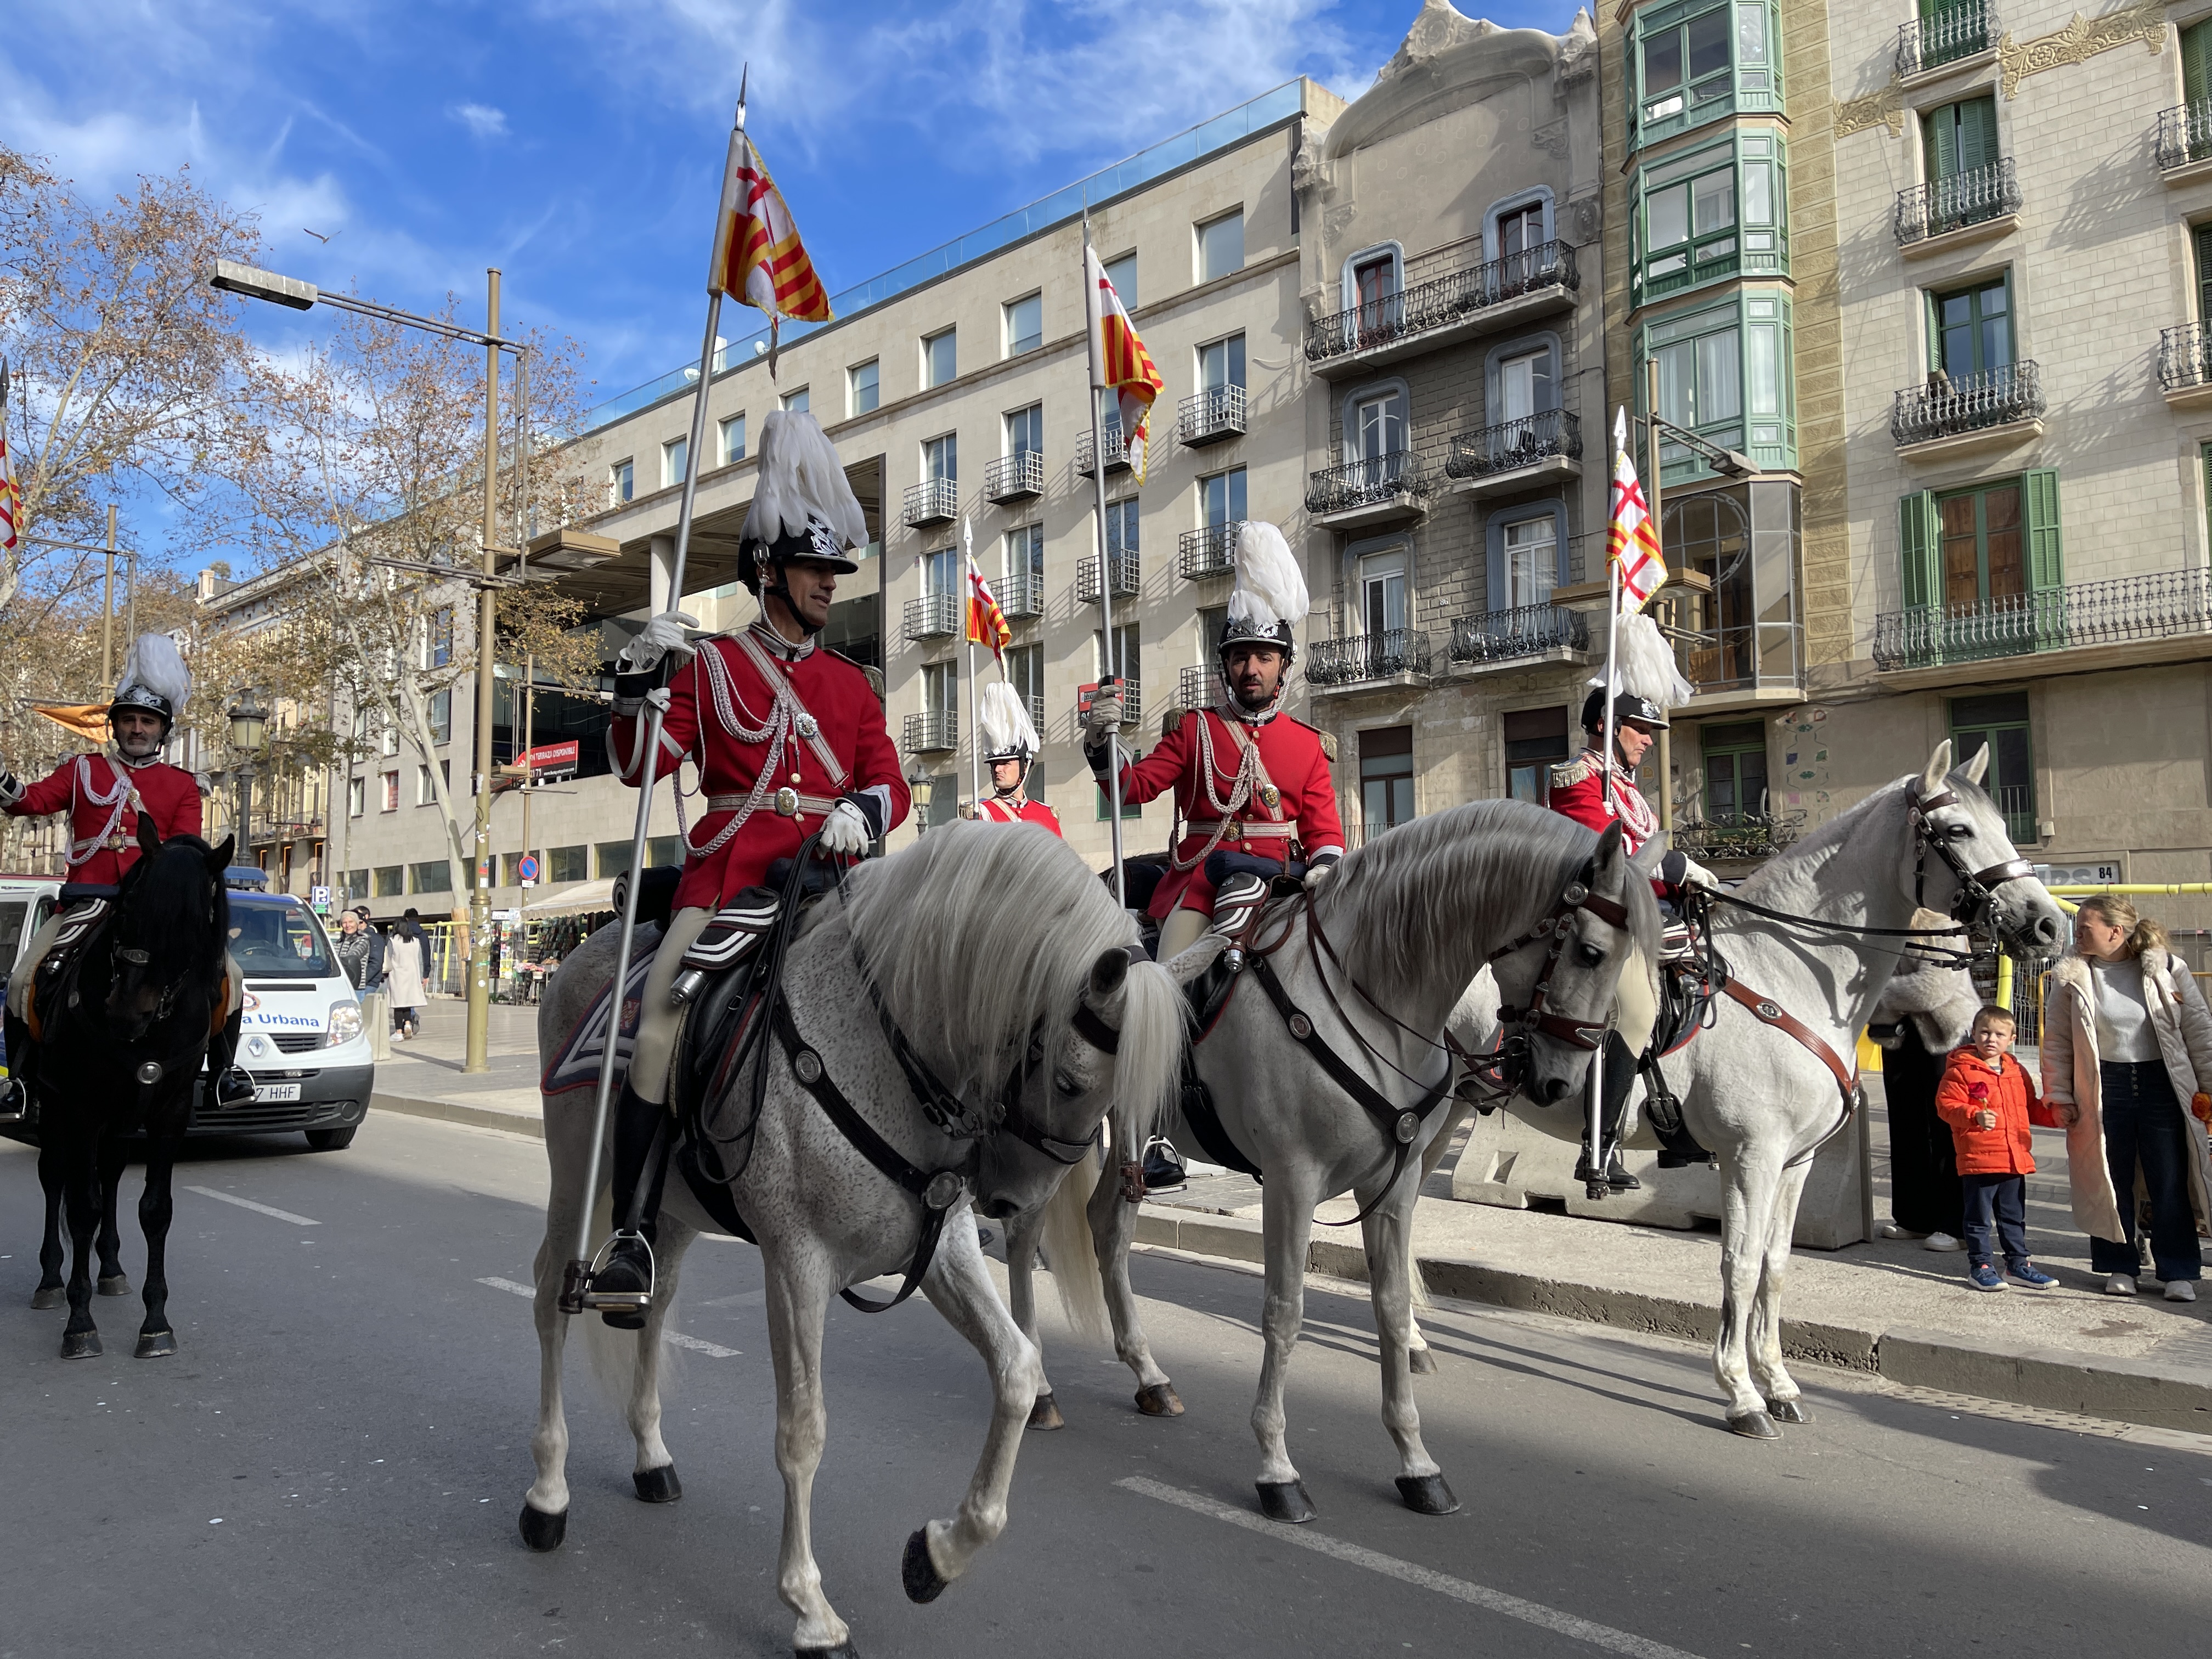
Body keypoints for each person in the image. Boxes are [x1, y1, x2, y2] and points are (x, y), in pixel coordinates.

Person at [589, 409, 909, 1323]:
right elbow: (640, 767)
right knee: (659, 1022)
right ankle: (635, 1230)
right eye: (814, 568)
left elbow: (892, 783)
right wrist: (636, 684)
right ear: (767, 569)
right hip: (728, 883)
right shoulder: (712, 664)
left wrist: (860, 809)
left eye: (833, 570)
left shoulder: (851, 684)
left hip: (832, 887)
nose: (827, 583)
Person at [0, 634, 249, 1120]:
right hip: (88, 901)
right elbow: (29, 802)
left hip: (153, 913)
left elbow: (184, 854)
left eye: (147, 721)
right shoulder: (81, 770)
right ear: (114, 726)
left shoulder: (181, 786)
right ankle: (23, 1084)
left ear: (162, 730)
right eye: (129, 719)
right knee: (23, 979)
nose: (137, 728)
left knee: (231, 978)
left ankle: (224, 1074)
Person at [1082, 520, 1342, 963]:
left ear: (1283, 667)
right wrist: (1100, 743)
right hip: (1201, 884)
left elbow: (1324, 834)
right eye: (1240, 658)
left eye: (1264, 657)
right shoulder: (1194, 730)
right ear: (1226, 667)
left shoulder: (1307, 745)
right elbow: (1133, 788)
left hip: (1282, 881)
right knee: (1170, 977)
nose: (1251, 669)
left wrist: (1325, 867)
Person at [1545, 617, 1712, 1190]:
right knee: (1638, 1011)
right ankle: (1600, 1143)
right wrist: (1675, 867)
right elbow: (1609, 852)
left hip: (1646, 914)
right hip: (1599, 919)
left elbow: (1649, 851)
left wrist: (1685, 883)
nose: (1647, 738)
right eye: (1639, 728)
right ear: (1607, 727)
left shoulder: (1628, 787)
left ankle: (1676, 1125)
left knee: (1700, 982)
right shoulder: (1577, 779)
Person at [2041, 894, 2212, 1302]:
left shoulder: (2167, 970)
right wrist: (2061, 1095)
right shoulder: (2071, 977)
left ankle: (2179, 1271)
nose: (2078, 933)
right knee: (2109, 1179)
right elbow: (2058, 1043)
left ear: (2115, 932)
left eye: (2086, 926)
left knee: (2168, 1179)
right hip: (2102, 1085)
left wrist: (2209, 1090)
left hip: (2163, 1085)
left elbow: (2199, 1031)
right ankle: (2120, 1266)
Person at [1868, 909, 1978, 1252]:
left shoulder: (1942, 924)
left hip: (1945, 1035)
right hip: (1898, 1036)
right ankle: (1913, 1219)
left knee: (1946, 1127)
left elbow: (1935, 985)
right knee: (1905, 1126)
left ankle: (1956, 1225)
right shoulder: (1881, 921)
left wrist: (1879, 993)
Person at [1934, 1005, 2059, 1291]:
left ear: (2012, 1038)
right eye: (1985, 1032)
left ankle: (2018, 1264)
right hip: (1979, 1158)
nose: (1991, 1039)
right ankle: (1981, 1266)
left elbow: (2030, 1108)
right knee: (1978, 1219)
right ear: (1974, 1034)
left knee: (2014, 1217)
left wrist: (2055, 1116)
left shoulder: (2016, 1071)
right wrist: (1973, 1115)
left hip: (2014, 1158)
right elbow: (1945, 1106)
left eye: (1999, 1034)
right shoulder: (1961, 1071)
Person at [971, 680, 1060, 834]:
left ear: (1024, 766)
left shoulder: (1047, 815)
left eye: (1005, 763)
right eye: (994, 764)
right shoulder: (982, 814)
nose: (998, 769)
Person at [384, 911, 428, 1041]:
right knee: (408, 1004)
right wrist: (422, 977)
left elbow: (388, 958)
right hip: (412, 976)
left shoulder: (393, 941)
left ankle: (398, 1032)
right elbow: (420, 960)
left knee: (398, 1005)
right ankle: (408, 1025)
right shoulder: (415, 941)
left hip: (397, 976)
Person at [332, 907, 375, 991]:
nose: (348, 925)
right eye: (345, 923)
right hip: (339, 985)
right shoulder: (338, 942)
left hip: (355, 987)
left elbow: (352, 956)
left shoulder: (363, 941)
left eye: (351, 922)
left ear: (357, 924)